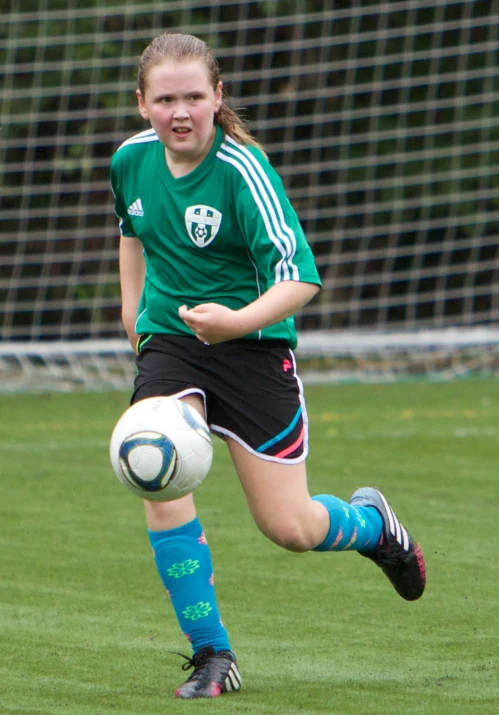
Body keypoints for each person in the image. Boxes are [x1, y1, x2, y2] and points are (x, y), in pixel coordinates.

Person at [110, 32, 426, 700]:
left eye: (194, 96)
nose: (180, 112)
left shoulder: (244, 169)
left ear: (217, 97)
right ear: (143, 104)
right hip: (171, 340)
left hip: (253, 349)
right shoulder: (131, 161)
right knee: (154, 467)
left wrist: (235, 322)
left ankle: (373, 523)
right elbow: (131, 231)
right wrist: (135, 315)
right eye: (165, 98)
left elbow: (301, 279)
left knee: (291, 528)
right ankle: (211, 653)